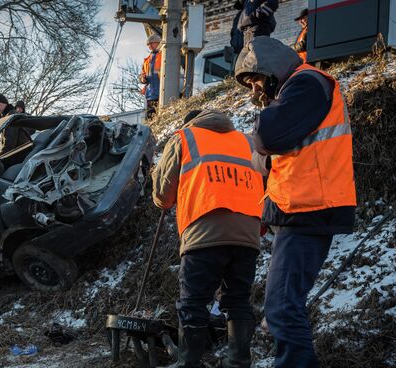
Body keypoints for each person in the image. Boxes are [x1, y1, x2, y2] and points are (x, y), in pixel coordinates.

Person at [234, 36, 356, 368]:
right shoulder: (303, 90)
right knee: (283, 306)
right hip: (302, 209)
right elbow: (276, 154)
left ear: (270, 68)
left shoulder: (306, 83)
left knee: (282, 307)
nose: (256, 90)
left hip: (308, 209)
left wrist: (262, 138)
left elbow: (266, 137)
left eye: (256, 80)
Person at [152, 110, 265, 368]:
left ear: (190, 122)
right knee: (238, 299)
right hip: (248, 234)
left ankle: (188, 363)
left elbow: (162, 197)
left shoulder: (185, 138)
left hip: (204, 231)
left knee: (193, 301)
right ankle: (238, 362)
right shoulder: (247, 141)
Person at [139, 34, 162, 120]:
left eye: (152, 43)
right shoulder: (146, 60)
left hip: (162, 91)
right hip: (150, 94)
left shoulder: (164, 55)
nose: (150, 46)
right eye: (148, 45)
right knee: (151, 118)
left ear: (158, 43)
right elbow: (142, 74)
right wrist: (142, 78)